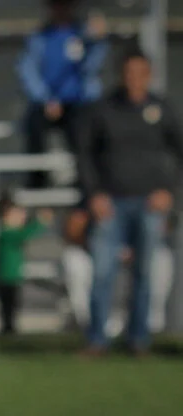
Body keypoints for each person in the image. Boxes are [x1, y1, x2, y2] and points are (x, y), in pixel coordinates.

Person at [77, 49, 182, 355]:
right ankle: (97, 339)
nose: (134, 79)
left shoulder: (162, 109)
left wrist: (169, 191)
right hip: (110, 203)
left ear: (149, 75)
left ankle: (138, 340)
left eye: (140, 73)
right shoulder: (103, 109)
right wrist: (94, 193)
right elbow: (85, 155)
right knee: (103, 273)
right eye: (129, 73)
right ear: (121, 75)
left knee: (145, 274)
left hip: (150, 205)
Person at [19, 1, 108, 163]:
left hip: (78, 103)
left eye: (65, 4)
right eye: (57, 5)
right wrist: (46, 99)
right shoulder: (39, 37)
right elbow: (28, 70)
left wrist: (98, 41)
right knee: (33, 127)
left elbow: (91, 68)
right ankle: (38, 181)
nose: (61, 9)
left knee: (84, 134)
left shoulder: (84, 36)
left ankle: (86, 180)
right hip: (46, 103)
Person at [0, 193, 45, 334]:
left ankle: (9, 329)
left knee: (13, 306)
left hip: (12, 277)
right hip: (6, 278)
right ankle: (8, 330)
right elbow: (24, 234)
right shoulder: (7, 233)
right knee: (8, 307)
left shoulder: (8, 232)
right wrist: (40, 223)